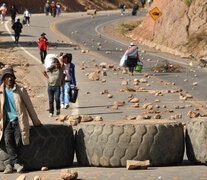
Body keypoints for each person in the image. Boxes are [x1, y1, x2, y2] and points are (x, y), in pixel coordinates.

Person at [0, 66, 42, 174]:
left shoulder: (21, 90)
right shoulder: (0, 92)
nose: (9, 79)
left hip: (19, 121)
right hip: (6, 122)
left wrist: (36, 122)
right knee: (8, 141)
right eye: (7, 77)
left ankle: (10, 165)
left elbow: (29, 107)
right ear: (4, 79)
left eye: (11, 77)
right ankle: (16, 163)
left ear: (14, 78)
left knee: (18, 141)